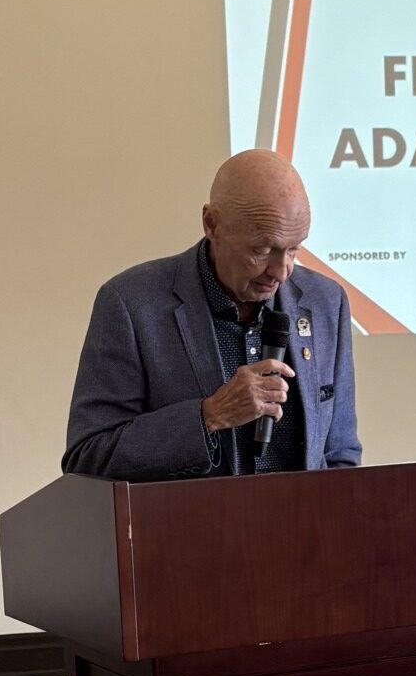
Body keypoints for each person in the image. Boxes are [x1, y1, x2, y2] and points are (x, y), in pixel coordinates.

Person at [63, 152, 361, 480]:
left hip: (305, 515)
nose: (281, 272)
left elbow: (339, 455)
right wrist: (209, 416)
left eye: (294, 250)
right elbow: (88, 457)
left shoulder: (325, 302)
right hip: (188, 515)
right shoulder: (131, 304)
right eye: (261, 250)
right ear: (212, 224)